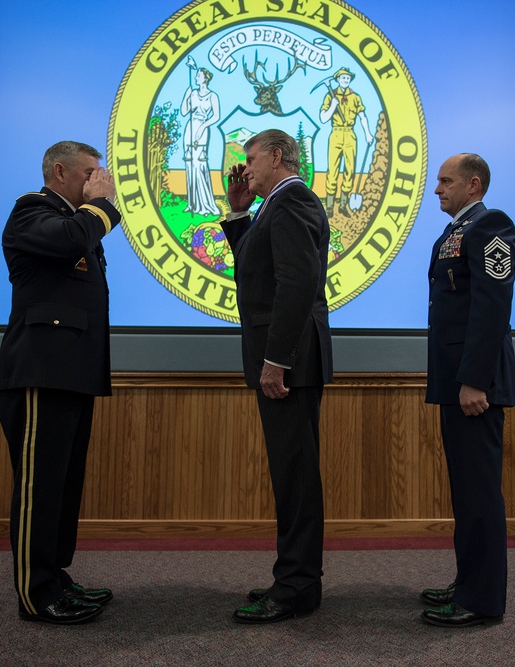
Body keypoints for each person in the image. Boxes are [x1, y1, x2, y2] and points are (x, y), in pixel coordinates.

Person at [0, 141, 121, 625]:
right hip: (38, 374)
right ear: (59, 171)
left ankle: (56, 577)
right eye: (90, 173)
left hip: (72, 375)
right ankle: (35, 593)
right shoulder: (31, 211)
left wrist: (94, 210)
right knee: (39, 488)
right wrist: (103, 205)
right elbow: (71, 241)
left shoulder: (76, 220)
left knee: (64, 486)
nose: (99, 180)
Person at [221, 129, 333, 624]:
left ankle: (297, 587)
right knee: (290, 474)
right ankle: (294, 577)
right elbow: (258, 271)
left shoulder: (293, 201)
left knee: (296, 476)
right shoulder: (275, 205)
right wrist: (239, 213)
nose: (245, 168)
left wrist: (277, 359)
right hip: (285, 358)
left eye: (250, 158)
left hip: (289, 363)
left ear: (276, 155)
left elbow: (297, 282)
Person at [420, 153, 515, 628]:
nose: (436, 188)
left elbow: (491, 307)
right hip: (454, 378)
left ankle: (481, 599)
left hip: (474, 384)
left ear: (473, 184)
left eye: (445, 181)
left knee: (479, 494)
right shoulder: (455, 230)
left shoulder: (491, 225)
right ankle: (467, 583)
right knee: (465, 493)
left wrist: (475, 379)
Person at [319, 67, 373, 217]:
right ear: (337, 79)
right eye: (343, 78)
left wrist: (368, 134)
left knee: (350, 171)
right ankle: (329, 208)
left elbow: (362, 116)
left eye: (347, 78)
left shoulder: (355, 97)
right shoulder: (331, 96)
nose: (345, 80)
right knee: (333, 170)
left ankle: (343, 205)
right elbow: (323, 118)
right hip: (336, 133)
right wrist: (333, 106)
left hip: (350, 134)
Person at [181, 59, 221, 216]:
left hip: (202, 130)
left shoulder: (212, 96)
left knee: (199, 165)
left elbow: (216, 116)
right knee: (190, 166)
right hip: (190, 129)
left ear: (205, 78)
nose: (196, 78)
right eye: (196, 75)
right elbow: (185, 111)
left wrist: (203, 127)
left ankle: (204, 204)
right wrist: (186, 95)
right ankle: (192, 204)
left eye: (199, 75)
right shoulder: (192, 93)